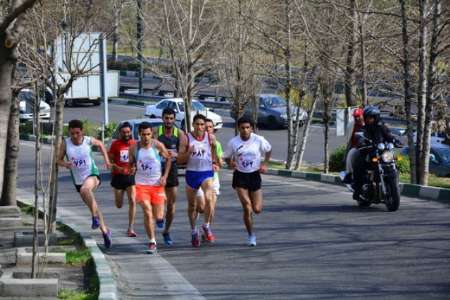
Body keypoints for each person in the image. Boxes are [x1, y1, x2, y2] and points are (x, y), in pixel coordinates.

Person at [57, 119, 112, 248]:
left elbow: (101, 145)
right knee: (92, 203)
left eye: (77, 133)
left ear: (82, 131)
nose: (75, 136)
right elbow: (57, 159)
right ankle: (105, 230)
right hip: (78, 179)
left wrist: (107, 160)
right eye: (72, 133)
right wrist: (65, 164)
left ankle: (94, 218)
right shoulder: (65, 144)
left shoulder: (87, 140)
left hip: (92, 174)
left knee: (85, 190)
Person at [223, 116, 272, 247]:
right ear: (238, 128)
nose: (245, 130)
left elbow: (268, 150)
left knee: (257, 209)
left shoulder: (258, 139)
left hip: (254, 175)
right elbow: (226, 156)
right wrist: (230, 163)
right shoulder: (233, 142)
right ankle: (251, 235)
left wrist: (265, 164)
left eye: (247, 127)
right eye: (242, 128)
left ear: (251, 128)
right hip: (240, 176)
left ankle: (253, 211)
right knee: (247, 206)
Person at [129, 122, 172, 254]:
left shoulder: (157, 146)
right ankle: (152, 241)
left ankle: (159, 219)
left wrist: (164, 176)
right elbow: (131, 163)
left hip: (157, 185)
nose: (146, 137)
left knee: (158, 216)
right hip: (141, 185)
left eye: (148, 134)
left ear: (152, 134)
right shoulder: (134, 148)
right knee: (147, 211)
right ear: (139, 134)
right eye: (143, 134)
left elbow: (169, 159)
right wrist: (132, 168)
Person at [178, 114, 220, 247]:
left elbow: (214, 156)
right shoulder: (186, 138)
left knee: (209, 199)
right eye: (197, 124)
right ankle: (193, 231)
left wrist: (214, 161)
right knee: (192, 206)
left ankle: (206, 226)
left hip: (206, 173)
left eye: (202, 125)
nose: (200, 127)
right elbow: (179, 160)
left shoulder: (210, 137)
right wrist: (188, 152)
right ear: (193, 125)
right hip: (191, 174)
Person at [154, 108, 187, 246]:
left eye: (171, 118)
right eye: (166, 118)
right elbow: (149, 150)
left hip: (172, 171)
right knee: (158, 202)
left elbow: (182, 157)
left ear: (174, 119)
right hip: (156, 171)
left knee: (171, 205)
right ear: (162, 118)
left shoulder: (180, 134)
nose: (168, 121)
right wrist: (160, 153)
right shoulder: (156, 132)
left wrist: (175, 155)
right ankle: (157, 224)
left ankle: (166, 231)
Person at [352, 106, 398, 200]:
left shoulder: (381, 126)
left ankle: (393, 185)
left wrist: (395, 141)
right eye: (367, 117)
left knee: (393, 162)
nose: (369, 119)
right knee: (358, 164)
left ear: (376, 117)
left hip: (382, 152)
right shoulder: (364, 128)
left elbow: (388, 135)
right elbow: (360, 136)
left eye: (371, 117)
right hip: (368, 151)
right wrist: (361, 142)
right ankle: (357, 190)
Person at [108, 122, 137, 237]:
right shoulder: (115, 144)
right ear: (120, 132)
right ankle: (120, 193)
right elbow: (110, 161)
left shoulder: (135, 144)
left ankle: (131, 228)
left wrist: (135, 167)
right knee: (119, 205)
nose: (126, 134)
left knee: (133, 200)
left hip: (130, 177)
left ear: (131, 132)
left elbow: (138, 159)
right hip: (118, 177)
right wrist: (118, 168)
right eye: (124, 132)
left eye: (128, 132)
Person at [195, 118, 223, 235]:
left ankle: (206, 229)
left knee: (211, 206)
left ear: (213, 129)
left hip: (213, 178)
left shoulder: (217, 144)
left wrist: (217, 165)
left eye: (210, 127)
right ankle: (195, 226)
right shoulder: (196, 142)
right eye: (205, 127)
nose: (207, 129)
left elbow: (220, 162)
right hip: (198, 176)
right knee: (201, 207)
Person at [341, 108, 365, 188]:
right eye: (355, 116)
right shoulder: (351, 125)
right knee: (351, 154)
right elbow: (349, 139)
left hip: (369, 147)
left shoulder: (369, 123)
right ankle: (349, 174)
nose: (357, 118)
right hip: (357, 147)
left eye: (358, 116)